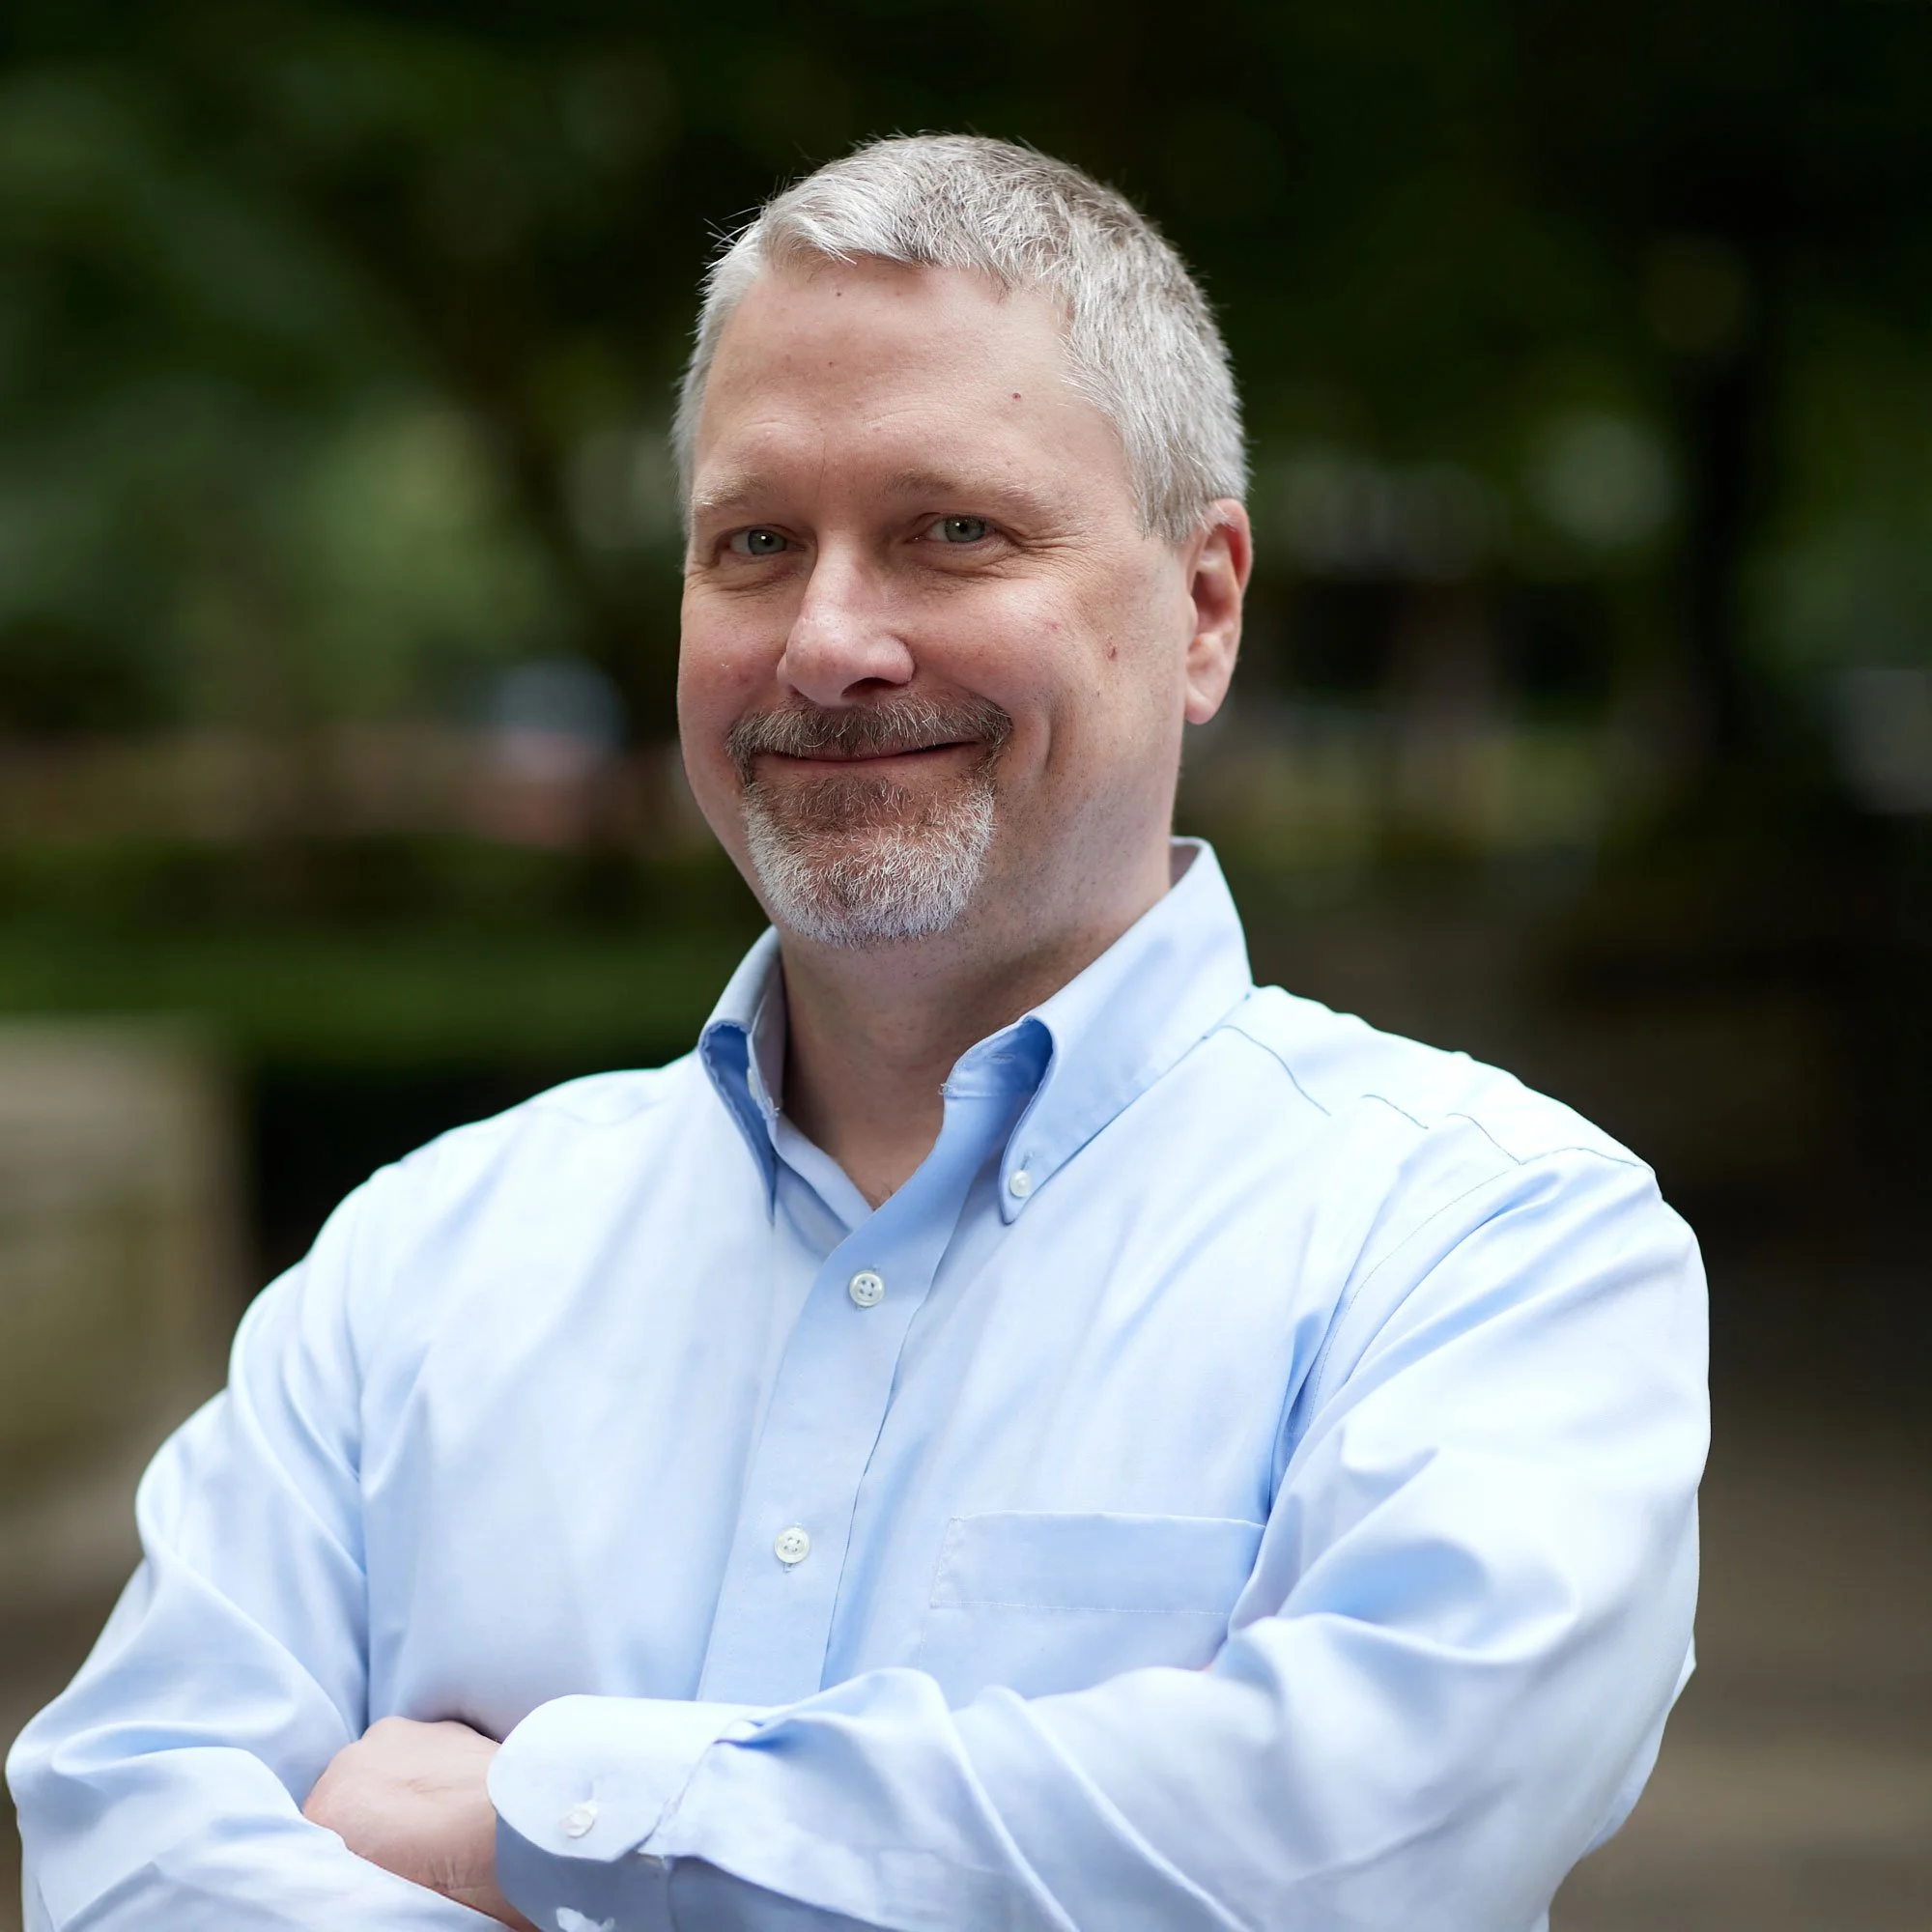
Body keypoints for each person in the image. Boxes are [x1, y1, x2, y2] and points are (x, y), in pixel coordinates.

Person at [8, 135, 1708, 1932]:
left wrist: (540, 1818)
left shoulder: (1488, 1247)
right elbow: (125, 1853)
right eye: (755, 543)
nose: (828, 642)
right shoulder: (415, 1266)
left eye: (950, 532)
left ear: (1204, 607)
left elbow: (1350, 1845)